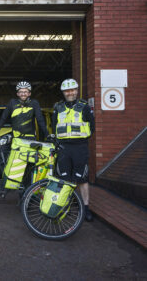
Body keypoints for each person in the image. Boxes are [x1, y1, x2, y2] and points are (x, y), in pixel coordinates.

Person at [51, 78, 95, 222]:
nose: (70, 93)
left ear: (76, 91)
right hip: (63, 148)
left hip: (80, 147)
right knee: (64, 178)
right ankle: (65, 206)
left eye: (72, 90)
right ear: (63, 92)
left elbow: (92, 127)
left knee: (82, 179)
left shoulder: (85, 107)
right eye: (67, 91)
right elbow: (54, 126)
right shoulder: (57, 107)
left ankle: (86, 209)